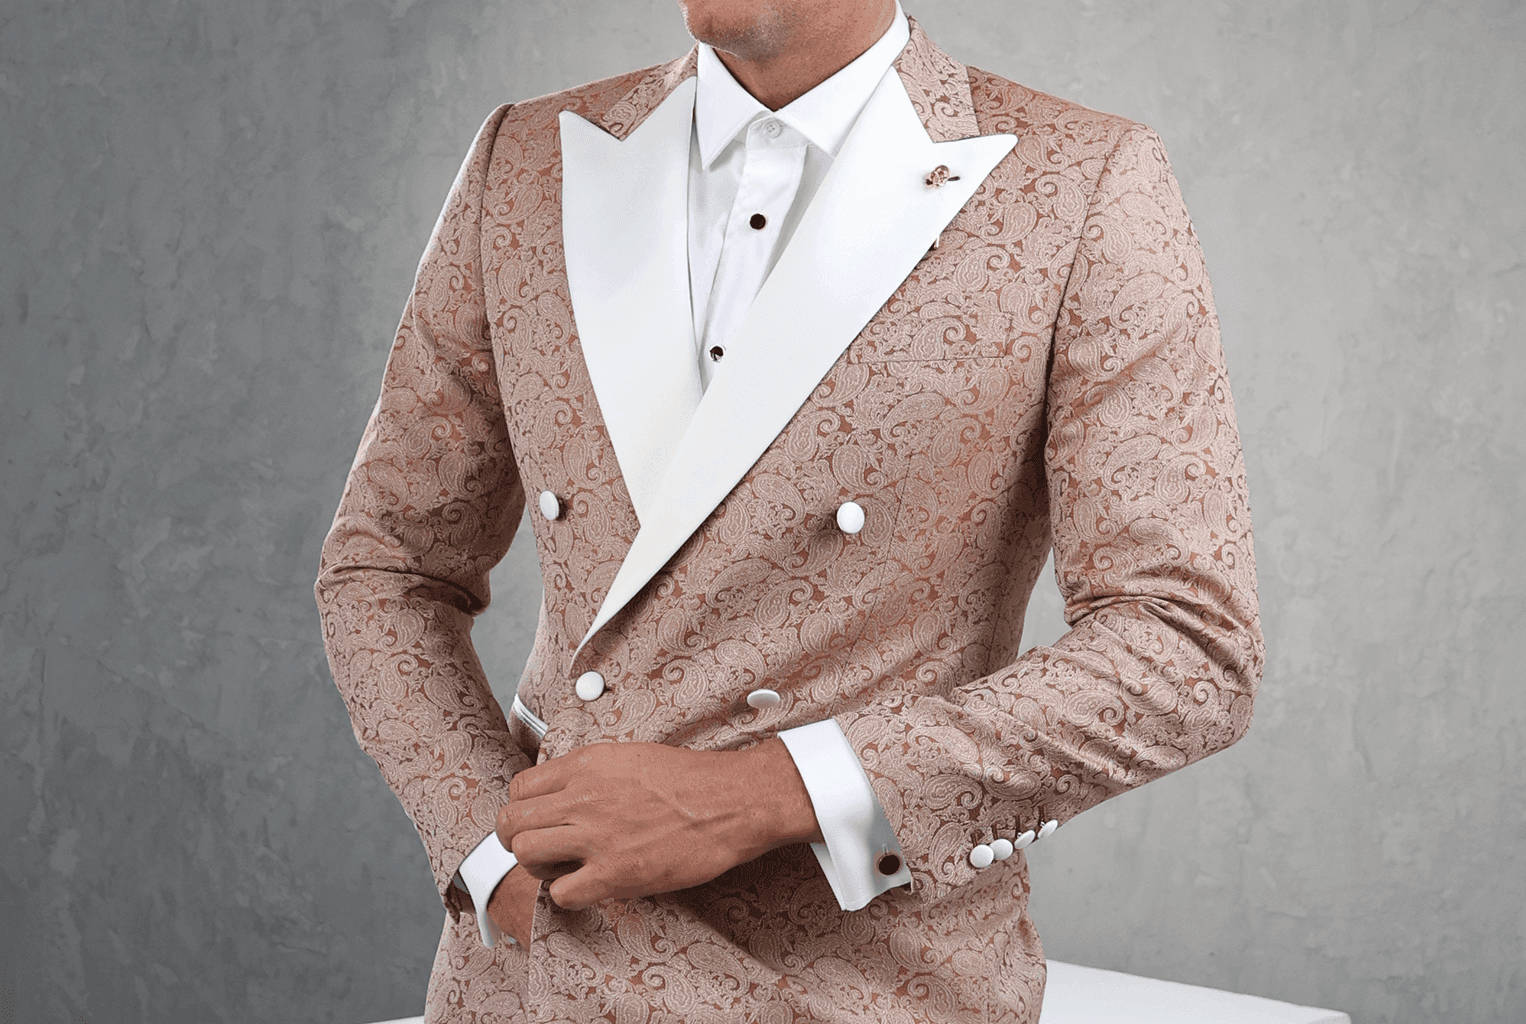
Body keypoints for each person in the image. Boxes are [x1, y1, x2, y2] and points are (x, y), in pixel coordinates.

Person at [315, 0, 1263, 1020]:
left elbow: (1184, 647)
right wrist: (489, 848)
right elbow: (385, 567)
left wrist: (765, 793)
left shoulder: (1078, 181)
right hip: (538, 973)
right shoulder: (527, 156)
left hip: (865, 984)